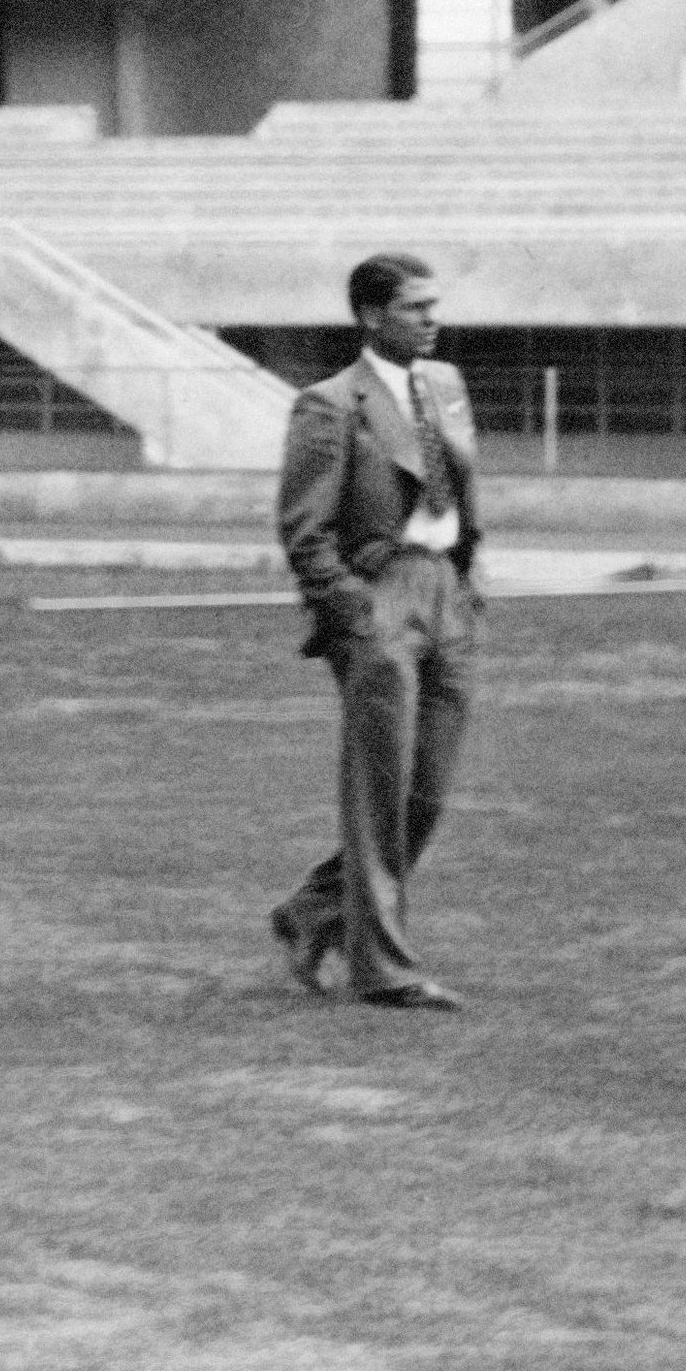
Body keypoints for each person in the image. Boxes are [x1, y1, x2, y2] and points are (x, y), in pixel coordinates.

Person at [272, 252, 486, 1011]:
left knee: (425, 792)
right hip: (379, 594)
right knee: (379, 790)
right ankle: (385, 968)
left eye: (434, 305)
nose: (432, 318)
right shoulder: (329, 404)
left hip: (446, 594)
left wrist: (467, 572)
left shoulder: (447, 384)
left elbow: (462, 486)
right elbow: (304, 530)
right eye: (414, 307)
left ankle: (311, 911)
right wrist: (356, 610)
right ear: (371, 315)